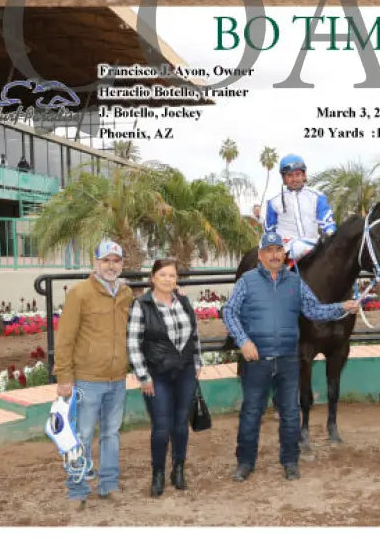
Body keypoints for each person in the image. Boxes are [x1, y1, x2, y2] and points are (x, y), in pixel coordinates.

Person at [223, 231, 359, 481]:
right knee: (251, 413)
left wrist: (342, 307)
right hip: (258, 359)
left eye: (279, 250)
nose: (274, 255)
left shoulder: (296, 283)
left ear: (284, 255)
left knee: (290, 414)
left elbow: (314, 310)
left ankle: (290, 461)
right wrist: (243, 341)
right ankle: (245, 462)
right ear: (261, 255)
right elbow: (229, 311)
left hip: (287, 359)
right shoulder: (247, 281)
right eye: (269, 251)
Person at [53, 240, 133, 507]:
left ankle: (108, 484)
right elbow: (65, 338)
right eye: (106, 260)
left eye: (116, 261)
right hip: (87, 379)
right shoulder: (80, 293)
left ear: (122, 264)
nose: (111, 266)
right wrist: (64, 377)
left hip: (117, 378)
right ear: (95, 263)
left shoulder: (126, 294)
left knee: (112, 434)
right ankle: (77, 489)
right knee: (82, 435)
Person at [127, 259, 202, 497]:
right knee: (161, 426)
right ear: (152, 278)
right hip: (157, 374)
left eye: (172, 275)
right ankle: (158, 472)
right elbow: (133, 343)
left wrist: (197, 362)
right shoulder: (142, 305)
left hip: (185, 371)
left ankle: (178, 469)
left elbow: (195, 334)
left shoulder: (184, 301)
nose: (168, 279)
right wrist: (143, 376)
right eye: (162, 275)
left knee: (180, 424)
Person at [263, 154, 336, 262]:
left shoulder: (317, 197)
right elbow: (269, 230)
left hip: (313, 246)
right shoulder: (273, 201)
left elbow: (327, 223)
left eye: (297, 174)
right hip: (285, 249)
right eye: (290, 175)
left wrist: (330, 234)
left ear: (304, 175)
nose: (294, 179)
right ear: (284, 178)